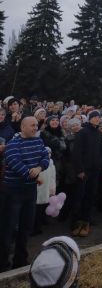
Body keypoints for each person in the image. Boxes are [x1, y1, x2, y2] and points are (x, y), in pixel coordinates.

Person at [0, 116, 49, 271]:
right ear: (23, 127)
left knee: (26, 226)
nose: (36, 128)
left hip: (30, 190)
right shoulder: (13, 144)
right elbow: (15, 164)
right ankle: (2, 263)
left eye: (36, 125)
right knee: (7, 228)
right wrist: (33, 175)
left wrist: (40, 168)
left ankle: (20, 260)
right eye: (32, 125)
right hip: (13, 190)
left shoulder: (38, 142)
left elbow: (45, 157)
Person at [71, 110, 102, 237]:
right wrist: (79, 170)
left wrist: (100, 163)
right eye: (94, 117)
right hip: (84, 171)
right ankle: (76, 223)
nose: (96, 119)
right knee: (79, 197)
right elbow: (77, 153)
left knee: (90, 196)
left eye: (98, 117)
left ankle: (86, 221)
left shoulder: (99, 133)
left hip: (95, 171)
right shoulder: (82, 132)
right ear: (89, 119)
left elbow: (101, 151)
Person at [34, 147, 56, 235]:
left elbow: (52, 178)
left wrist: (52, 190)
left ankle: (37, 227)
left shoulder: (47, 165)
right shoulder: (43, 165)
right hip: (42, 191)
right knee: (39, 210)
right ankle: (38, 226)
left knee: (38, 210)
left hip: (42, 191)